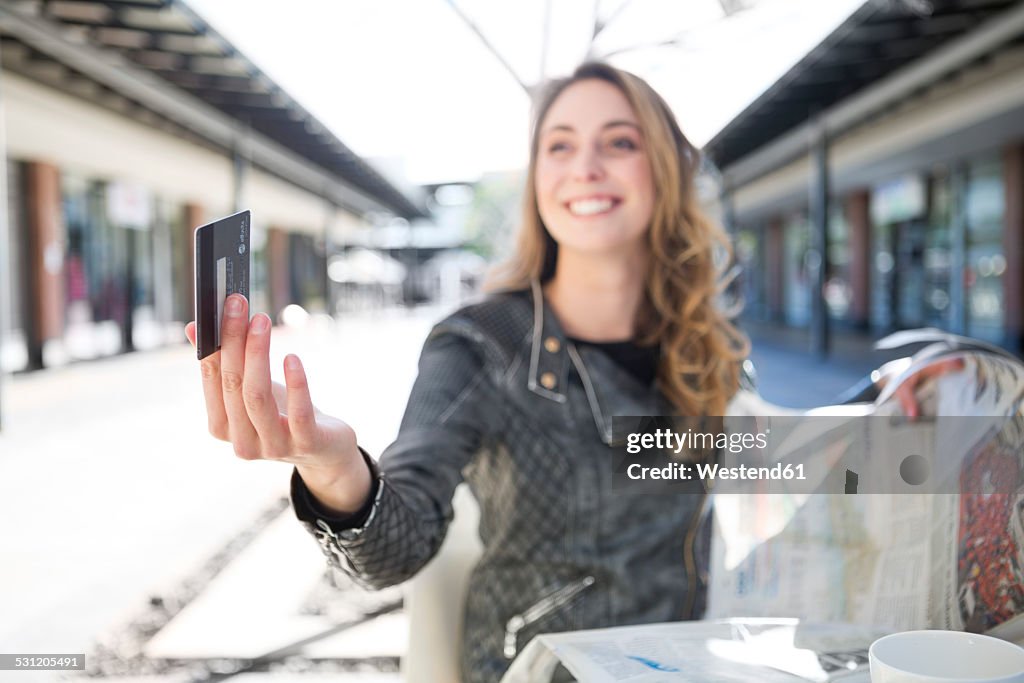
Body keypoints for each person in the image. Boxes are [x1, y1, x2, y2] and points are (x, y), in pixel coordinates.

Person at [184, 62, 951, 682]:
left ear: (664, 173)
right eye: (559, 144)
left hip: (689, 664)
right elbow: (397, 545)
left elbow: (765, 461)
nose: (585, 165)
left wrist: (883, 416)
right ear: (537, 182)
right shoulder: (481, 343)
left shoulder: (704, 344)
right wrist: (330, 460)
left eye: (619, 141)